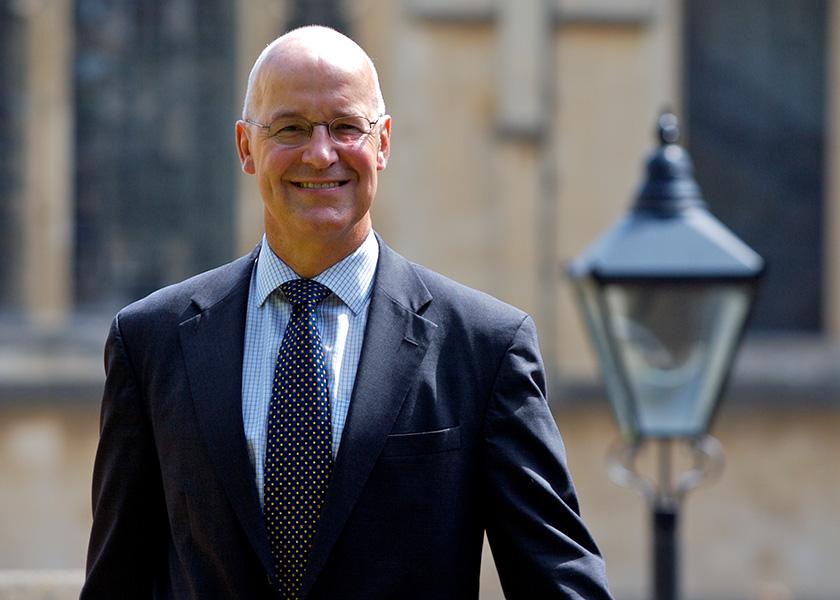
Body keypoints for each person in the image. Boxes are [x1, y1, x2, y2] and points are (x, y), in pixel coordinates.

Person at [81, 25, 613, 600]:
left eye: (345, 126)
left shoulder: (484, 347)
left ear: (382, 142)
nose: (320, 153)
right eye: (290, 128)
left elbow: (559, 581)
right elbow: (118, 580)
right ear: (245, 148)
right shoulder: (151, 341)